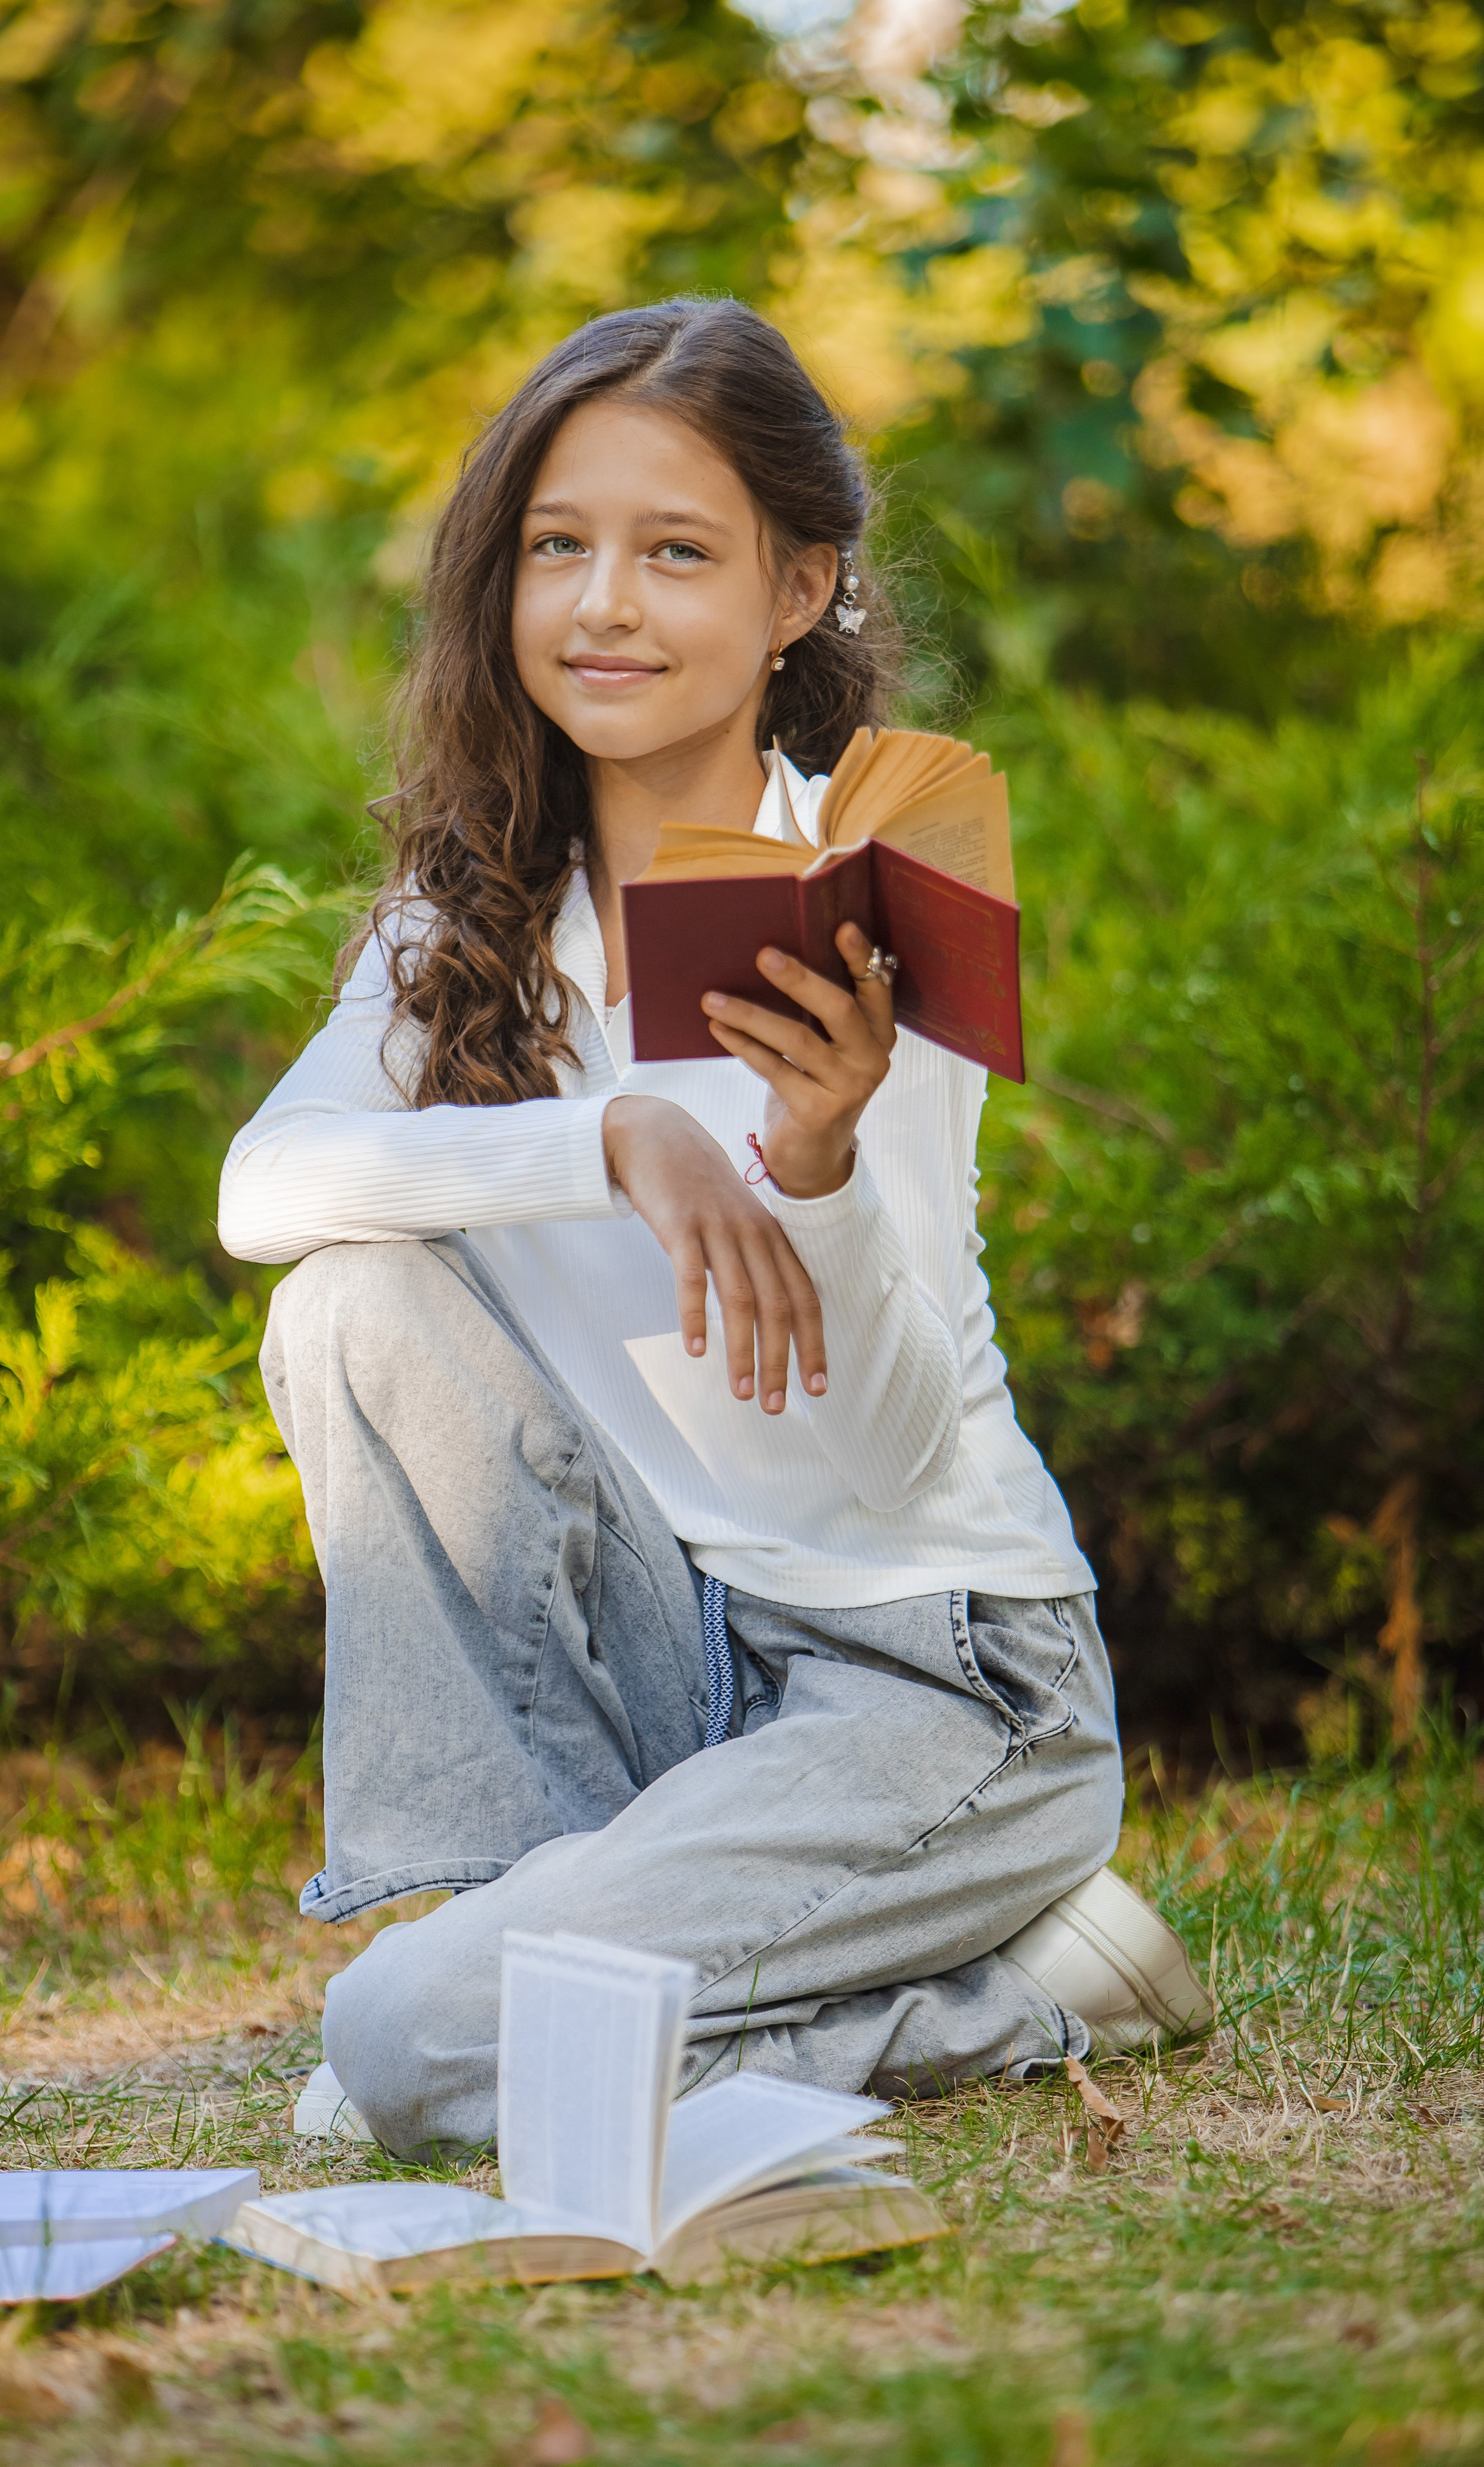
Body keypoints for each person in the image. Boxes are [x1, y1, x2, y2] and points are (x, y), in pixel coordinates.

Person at [219, 297, 1210, 2160]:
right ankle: (570, 1952)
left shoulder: (867, 894)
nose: (605, 605)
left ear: (797, 591)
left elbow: (892, 1454)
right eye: (558, 547)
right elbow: (258, 1194)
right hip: (680, 1642)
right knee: (352, 1299)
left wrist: (817, 1161)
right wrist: (622, 1136)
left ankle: (978, 1985)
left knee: (399, 2054)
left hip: (936, 1670)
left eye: (678, 553)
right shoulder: (472, 913)